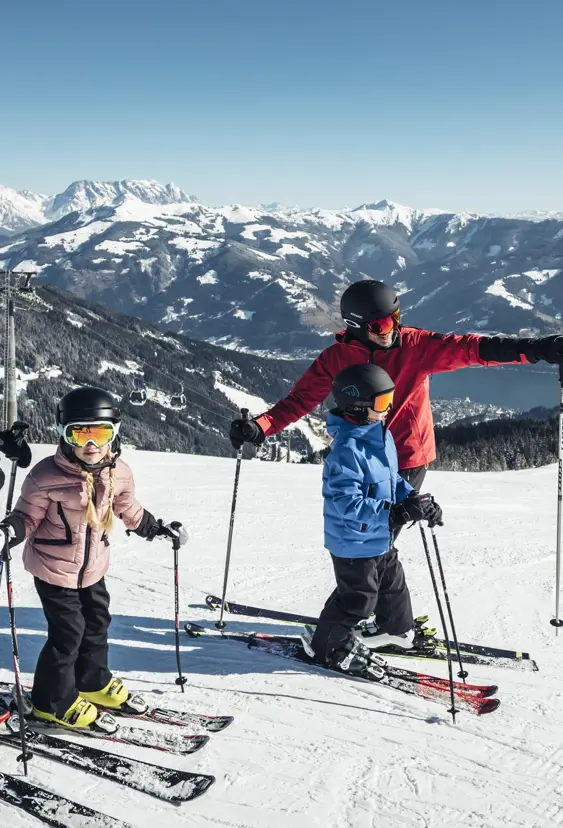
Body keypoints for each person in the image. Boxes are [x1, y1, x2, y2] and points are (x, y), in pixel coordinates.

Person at [229, 279, 563, 490]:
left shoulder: (416, 346)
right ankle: (373, 599)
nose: (390, 329)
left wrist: (536, 349)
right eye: (380, 324)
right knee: (358, 538)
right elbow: (300, 400)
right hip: (359, 457)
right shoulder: (337, 357)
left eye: (395, 318)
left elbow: (474, 348)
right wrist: (261, 427)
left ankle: (372, 601)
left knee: (376, 542)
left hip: (406, 458)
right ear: (357, 325)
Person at [0, 387, 188, 730]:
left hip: (93, 568)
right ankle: (50, 702)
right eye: (79, 433)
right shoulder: (45, 477)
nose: (90, 444)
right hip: (54, 569)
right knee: (68, 634)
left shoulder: (119, 473)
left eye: (100, 433)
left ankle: (92, 681)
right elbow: (25, 517)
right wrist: (8, 533)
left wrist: (157, 529)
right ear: (62, 433)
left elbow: (129, 511)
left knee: (98, 623)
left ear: (114, 433)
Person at [300, 363, 443, 678]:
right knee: (358, 600)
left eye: (390, 398)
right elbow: (345, 503)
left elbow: (392, 480)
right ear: (358, 407)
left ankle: (396, 630)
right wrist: (392, 513)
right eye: (381, 403)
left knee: (392, 584)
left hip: (379, 536)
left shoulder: (381, 436)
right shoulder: (346, 452)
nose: (388, 408)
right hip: (352, 542)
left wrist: (413, 500)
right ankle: (326, 649)